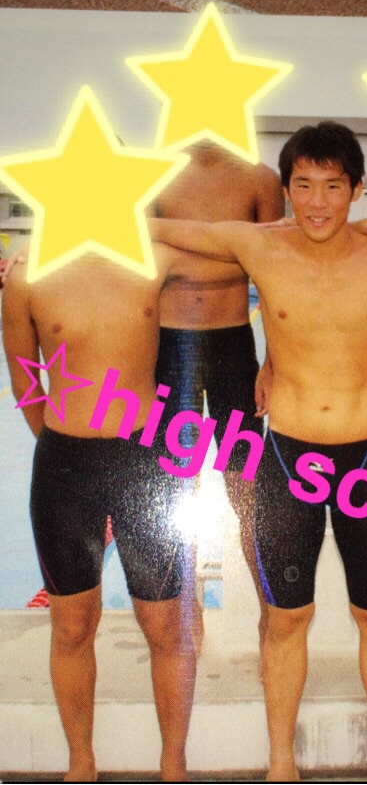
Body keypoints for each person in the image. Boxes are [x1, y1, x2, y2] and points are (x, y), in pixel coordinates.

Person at [148, 121, 367, 782]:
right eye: (303, 186)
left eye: (333, 186)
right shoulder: (258, 245)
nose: (318, 202)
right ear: (286, 189)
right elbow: (158, 227)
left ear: (358, 188)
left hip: (365, 464)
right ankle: (281, 766)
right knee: (286, 622)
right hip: (286, 463)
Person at [1, 244, 243, 783]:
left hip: (144, 462)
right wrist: (66, 448)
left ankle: (173, 765)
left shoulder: (151, 257)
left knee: (166, 625)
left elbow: (246, 255)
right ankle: (81, 765)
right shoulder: (25, 278)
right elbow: (25, 383)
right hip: (65, 467)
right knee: (71, 626)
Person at [151, 140, 285, 655]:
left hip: (234, 350)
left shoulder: (259, 179)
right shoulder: (155, 173)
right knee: (175, 488)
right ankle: (188, 607)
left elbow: (273, 272)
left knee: (246, 487)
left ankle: (270, 612)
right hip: (170, 348)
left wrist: (271, 362)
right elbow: (132, 260)